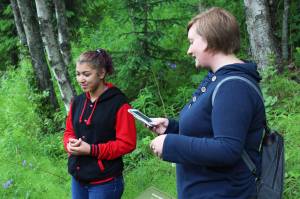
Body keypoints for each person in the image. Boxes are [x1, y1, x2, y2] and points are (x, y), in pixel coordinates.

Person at [148, 7, 265, 199]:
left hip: (225, 193)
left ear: (209, 40)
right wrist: (171, 128)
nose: (189, 50)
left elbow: (227, 149)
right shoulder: (218, 80)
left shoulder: (233, 86)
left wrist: (171, 144)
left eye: (192, 42)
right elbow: (208, 131)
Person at [63, 49, 136, 199]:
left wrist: (92, 150)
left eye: (86, 74)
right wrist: (69, 145)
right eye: (78, 74)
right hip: (78, 179)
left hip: (105, 183)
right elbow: (69, 131)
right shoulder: (77, 102)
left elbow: (127, 143)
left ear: (101, 73)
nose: (80, 79)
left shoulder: (119, 104)